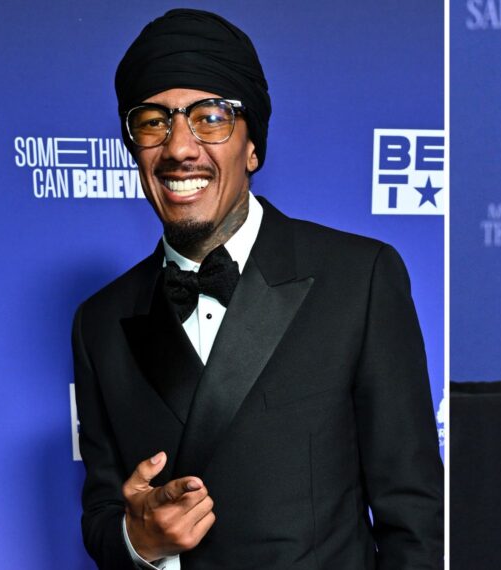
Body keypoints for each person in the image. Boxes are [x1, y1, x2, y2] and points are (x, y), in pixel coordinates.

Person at [72, 9, 443, 569]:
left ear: (252, 147)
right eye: (153, 121)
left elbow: (415, 515)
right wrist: (139, 541)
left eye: (211, 118)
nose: (179, 148)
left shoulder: (358, 278)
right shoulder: (100, 322)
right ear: (134, 148)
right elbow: (103, 511)